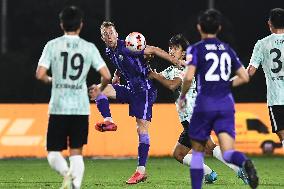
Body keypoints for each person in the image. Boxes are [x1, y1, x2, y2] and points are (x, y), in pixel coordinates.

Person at [88, 21, 183, 184]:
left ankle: (141, 171)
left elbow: (153, 50)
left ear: (117, 34)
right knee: (98, 89)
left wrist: (174, 60)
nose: (109, 36)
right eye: (106, 34)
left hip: (145, 90)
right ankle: (109, 121)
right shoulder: (109, 50)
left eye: (111, 33)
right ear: (102, 37)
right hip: (131, 88)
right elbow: (121, 61)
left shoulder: (128, 46)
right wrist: (117, 74)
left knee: (141, 128)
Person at [148, 33, 248, 184]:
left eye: (175, 48)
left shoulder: (185, 66)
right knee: (179, 154)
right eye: (170, 48)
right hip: (191, 118)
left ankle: (239, 168)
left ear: (183, 52)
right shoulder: (170, 69)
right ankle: (209, 174)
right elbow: (155, 77)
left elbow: (172, 85)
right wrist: (144, 66)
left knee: (209, 146)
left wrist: (155, 76)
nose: (171, 51)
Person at [178, 9, 258, 189]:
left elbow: (189, 77)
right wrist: (227, 85)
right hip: (225, 105)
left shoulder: (196, 49)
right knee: (228, 152)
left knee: (197, 153)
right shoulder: (226, 49)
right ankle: (244, 162)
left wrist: (183, 96)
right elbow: (244, 76)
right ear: (219, 28)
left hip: (205, 104)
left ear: (199, 28)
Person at [36, 6, 111, 189]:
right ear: (81, 25)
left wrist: (51, 79)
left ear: (62, 24)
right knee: (76, 153)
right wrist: (98, 88)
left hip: (59, 107)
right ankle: (75, 185)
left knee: (53, 153)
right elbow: (107, 75)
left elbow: (40, 74)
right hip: (80, 107)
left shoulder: (52, 45)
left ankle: (66, 174)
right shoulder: (89, 47)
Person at [247, 8, 284, 149]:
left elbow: (250, 72)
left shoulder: (262, 44)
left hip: (276, 99)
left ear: (270, 23)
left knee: (282, 135)